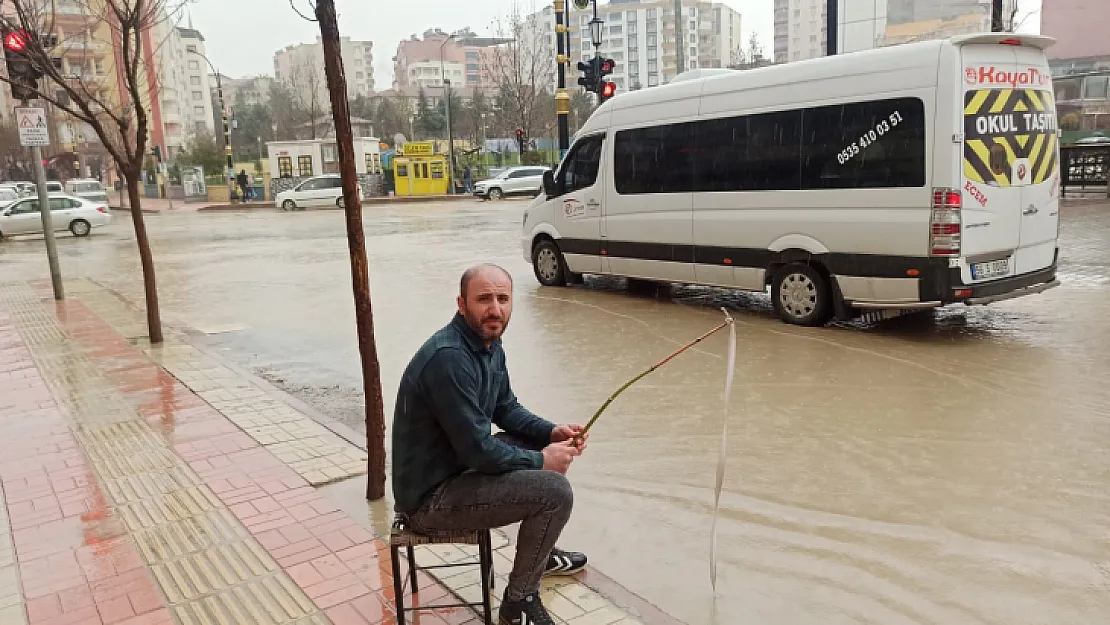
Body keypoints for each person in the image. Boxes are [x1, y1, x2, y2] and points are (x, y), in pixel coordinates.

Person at [392, 263, 588, 625]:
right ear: (462, 304)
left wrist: (550, 433)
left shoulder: (489, 344)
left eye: (503, 299)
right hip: (429, 501)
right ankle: (518, 602)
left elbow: (506, 409)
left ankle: (537, 556)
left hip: (455, 470)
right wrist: (541, 461)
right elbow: (478, 451)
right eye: (484, 299)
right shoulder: (449, 359)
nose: (495, 309)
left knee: (524, 440)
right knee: (554, 491)